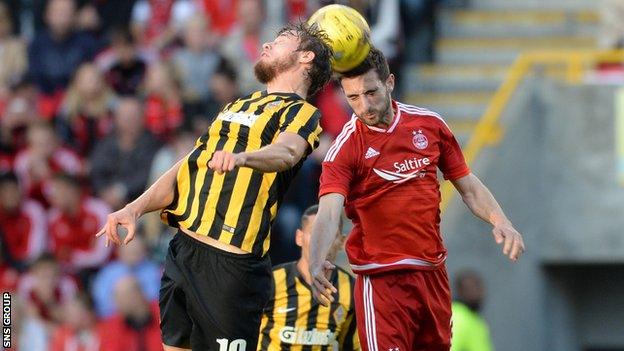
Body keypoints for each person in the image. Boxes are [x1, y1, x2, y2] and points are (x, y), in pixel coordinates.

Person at [97, 22, 333, 350]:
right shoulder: (238, 105)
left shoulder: (303, 113)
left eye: (280, 41)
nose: (266, 44)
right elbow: (189, 165)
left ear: (305, 57)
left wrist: (243, 158)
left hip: (231, 269)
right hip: (182, 252)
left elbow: (288, 151)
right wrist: (134, 208)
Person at [309, 47, 525, 351]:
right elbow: (330, 212)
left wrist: (500, 220)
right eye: (353, 98)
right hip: (382, 281)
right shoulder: (346, 147)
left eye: (371, 92)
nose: (365, 105)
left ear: (390, 82)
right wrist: (317, 259)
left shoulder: (430, 125)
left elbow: (468, 185)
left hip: (432, 275)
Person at [258, 204, 359, 350]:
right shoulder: (270, 282)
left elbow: (354, 345)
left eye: (330, 234)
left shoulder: (351, 289)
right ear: (299, 238)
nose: (322, 241)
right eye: (315, 232)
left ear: (342, 242)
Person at [450, 270, 493, 351]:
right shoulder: (457, 317)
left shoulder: (473, 317)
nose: (477, 293)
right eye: (470, 289)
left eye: (478, 287)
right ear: (460, 291)